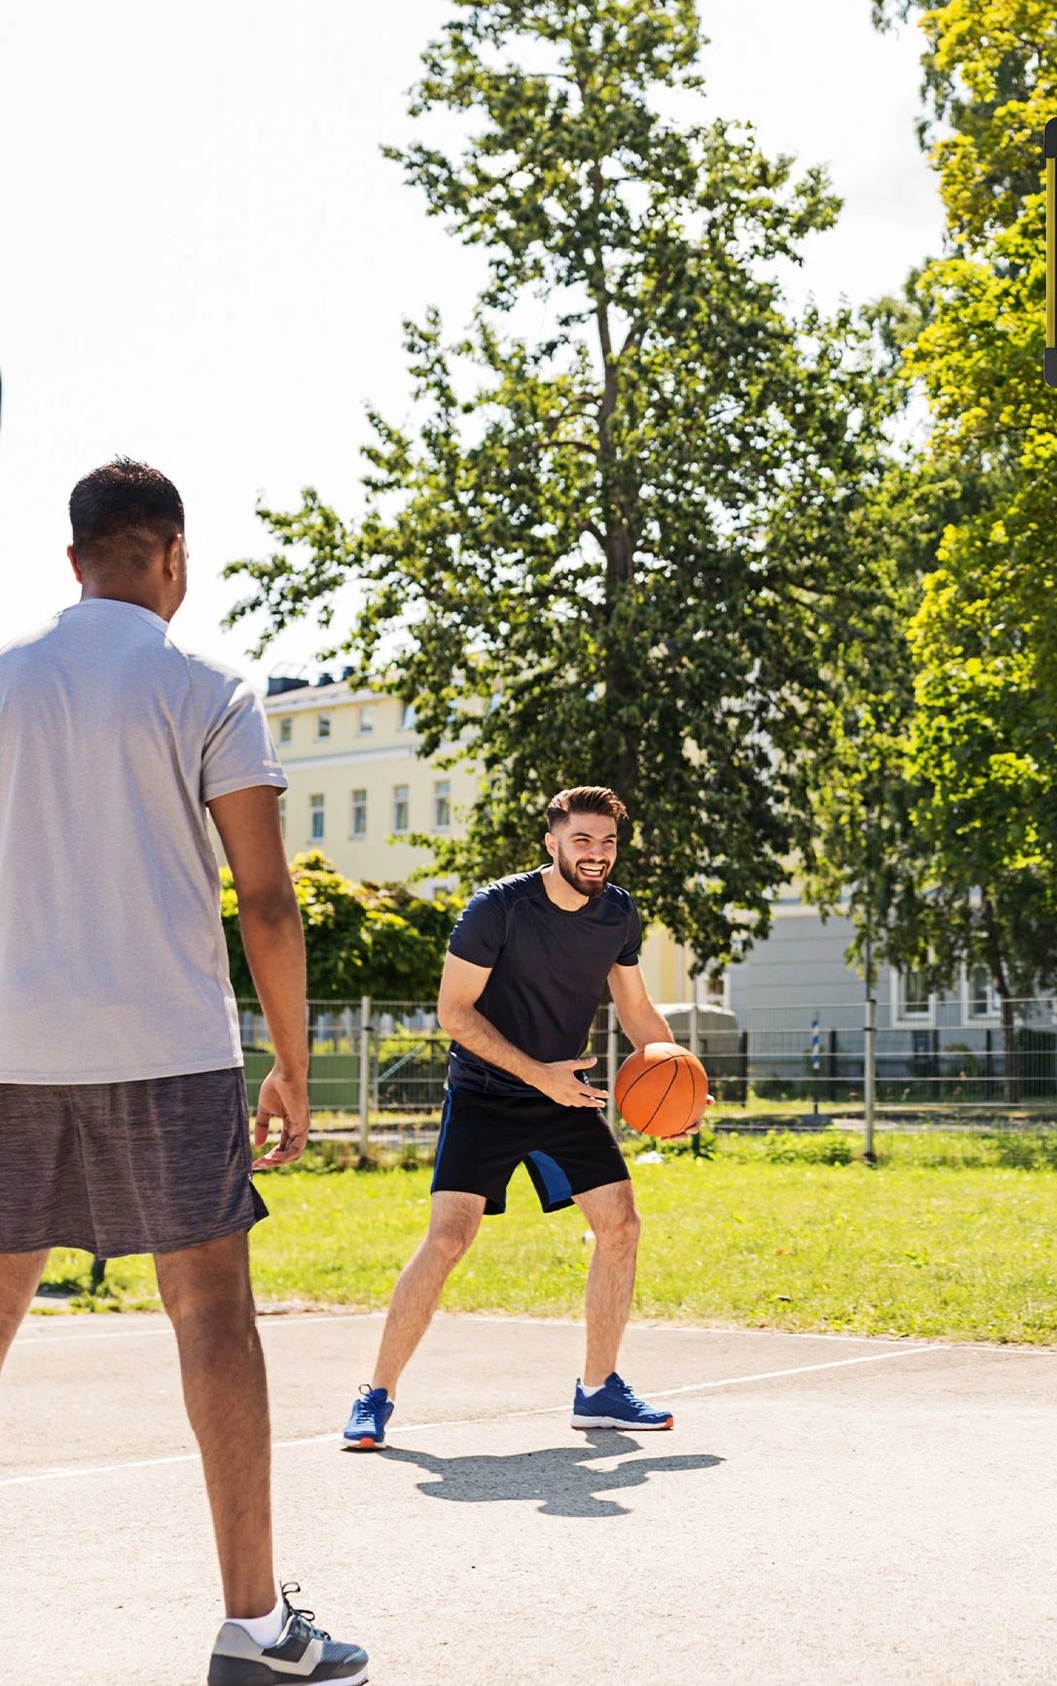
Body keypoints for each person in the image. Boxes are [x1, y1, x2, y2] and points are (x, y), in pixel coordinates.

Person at [0, 460, 368, 1685]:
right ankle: (254, 1630)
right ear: (172, 555)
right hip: (167, 1047)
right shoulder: (211, 686)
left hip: (9, 1046)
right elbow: (265, 898)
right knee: (211, 1313)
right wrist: (292, 1065)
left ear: (73, 560)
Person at [342, 785, 691, 1449]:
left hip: (563, 1094)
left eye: (607, 841)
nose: (596, 853)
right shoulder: (497, 908)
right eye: (582, 839)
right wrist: (538, 1075)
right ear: (552, 843)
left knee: (620, 1225)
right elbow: (454, 1012)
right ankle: (375, 1395)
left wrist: (682, 1078)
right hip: (486, 1093)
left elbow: (637, 1009)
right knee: (449, 1237)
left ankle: (598, 1391)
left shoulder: (618, 913)